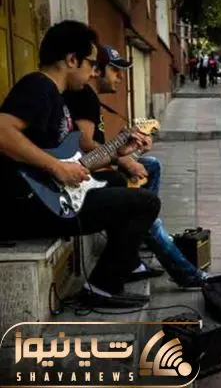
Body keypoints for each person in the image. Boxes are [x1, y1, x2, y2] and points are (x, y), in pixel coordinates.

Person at [0, 20, 160, 308]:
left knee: (115, 181)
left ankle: (116, 271)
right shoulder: (37, 86)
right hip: (28, 206)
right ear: (71, 60)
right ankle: (102, 287)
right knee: (145, 203)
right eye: (91, 63)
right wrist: (57, 167)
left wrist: (118, 152)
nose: (94, 72)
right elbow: (2, 132)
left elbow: (75, 161)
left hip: (49, 196)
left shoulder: (56, 97)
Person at [63, 44, 208, 288]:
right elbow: (84, 143)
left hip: (90, 168)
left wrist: (122, 147)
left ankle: (137, 238)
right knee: (145, 204)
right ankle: (180, 269)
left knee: (150, 166)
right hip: (83, 177)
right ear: (96, 70)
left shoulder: (87, 95)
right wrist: (122, 159)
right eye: (115, 70)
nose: (120, 77)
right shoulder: (83, 95)